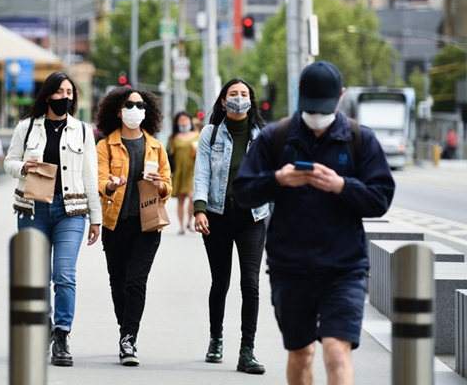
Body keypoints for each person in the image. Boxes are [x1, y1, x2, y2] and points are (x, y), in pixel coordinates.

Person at [233, 61, 395, 385]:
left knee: (336, 352)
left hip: (344, 267)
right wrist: (278, 179)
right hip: (290, 267)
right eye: (311, 107)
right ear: (299, 95)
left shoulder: (360, 139)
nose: (317, 115)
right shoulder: (276, 137)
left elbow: (381, 198)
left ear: (341, 97)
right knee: (301, 353)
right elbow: (243, 191)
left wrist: (342, 186)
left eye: (324, 107)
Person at [3, 71, 102, 367]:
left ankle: (62, 334)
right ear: (48, 95)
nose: (65, 97)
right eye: (60, 92)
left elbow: (90, 176)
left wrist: (95, 218)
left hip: (71, 211)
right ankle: (44, 325)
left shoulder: (82, 131)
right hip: (33, 208)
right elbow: (8, 162)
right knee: (37, 277)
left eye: (70, 92)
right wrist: (24, 167)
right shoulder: (27, 127)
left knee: (64, 274)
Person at [191, 78, 269, 374]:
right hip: (217, 216)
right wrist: (200, 209)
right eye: (233, 94)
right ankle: (216, 338)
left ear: (251, 100)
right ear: (223, 101)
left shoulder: (262, 137)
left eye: (243, 93)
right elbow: (202, 174)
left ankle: (247, 350)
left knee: (250, 282)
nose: (238, 98)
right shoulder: (210, 133)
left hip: (252, 218)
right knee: (220, 281)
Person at [95, 87, 172, 366]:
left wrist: (159, 185)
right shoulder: (105, 146)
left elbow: (168, 187)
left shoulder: (156, 147)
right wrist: (111, 185)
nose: (135, 110)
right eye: (129, 105)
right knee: (118, 283)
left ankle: (129, 338)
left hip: (147, 225)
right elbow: (99, 180)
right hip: (115, 223)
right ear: (118, 111)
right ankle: (125, 328)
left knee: (136, 282)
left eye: (140, 105)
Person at [168, 111, 200, 234]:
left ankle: (189, 222)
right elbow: (169, 154)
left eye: (185, 119)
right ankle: (181, 226)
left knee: (192, 197)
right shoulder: (174, 138)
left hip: (193, 171)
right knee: (180, 200)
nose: (183, 122)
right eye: (181, 120)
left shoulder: (197, 135)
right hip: (179, 172)